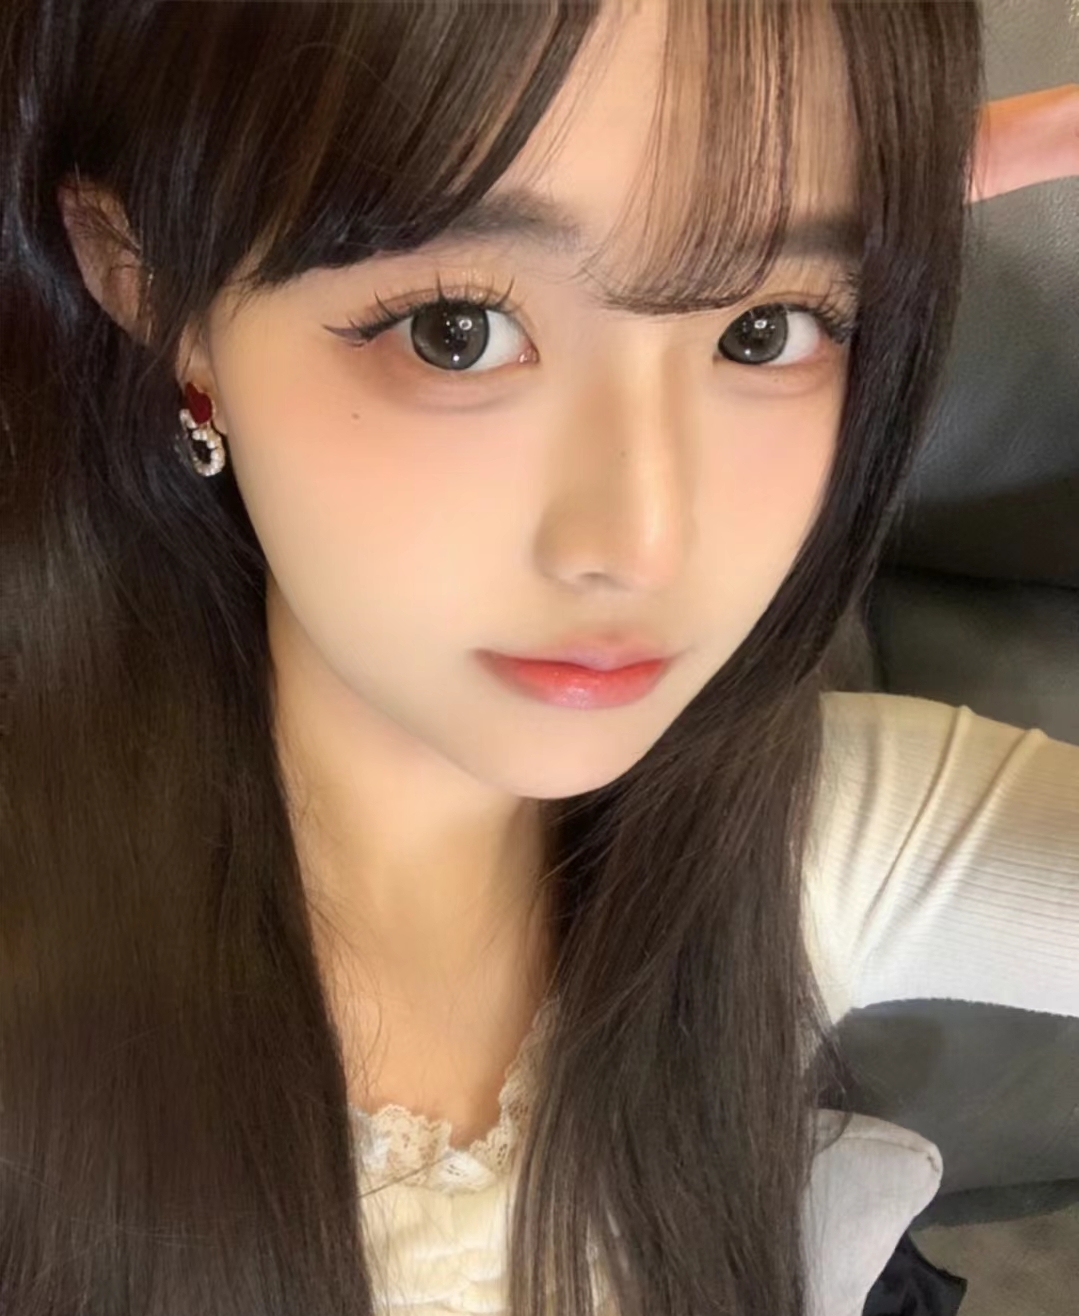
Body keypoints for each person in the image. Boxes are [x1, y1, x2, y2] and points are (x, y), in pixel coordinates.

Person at [1, 3, 1076, 1315]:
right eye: (455, 329)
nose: (640, 544)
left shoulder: (822, 833)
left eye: (769, 329)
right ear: (150, 284)